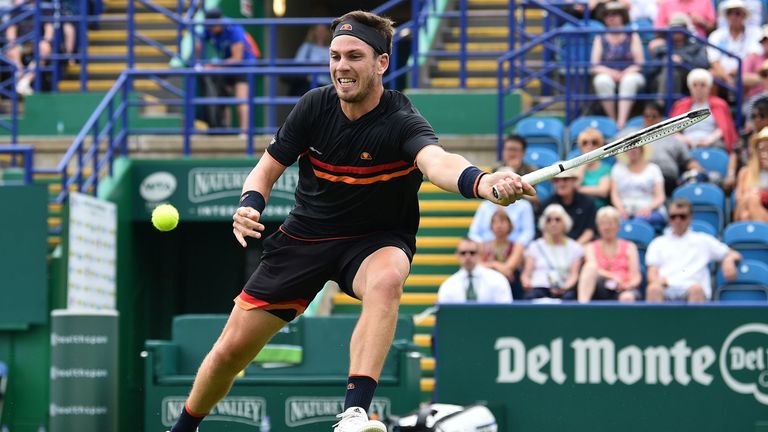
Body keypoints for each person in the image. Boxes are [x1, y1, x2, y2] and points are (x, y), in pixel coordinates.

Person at [168, 10, 534, 432]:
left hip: (375, 239)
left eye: (354, 56)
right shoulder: (313, 107)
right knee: (230, 351)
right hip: (306, 236)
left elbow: (438, 164)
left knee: (387, 280)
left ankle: (355, 411)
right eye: (335, 56)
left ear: (381, 63)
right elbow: (265, 169)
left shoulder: (401, 120)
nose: (342, 66)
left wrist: (484, 181)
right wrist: (251, 203)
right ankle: (182, 428)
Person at [646, 199, 742, 302]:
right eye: (673, 217)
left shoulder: (703, 240)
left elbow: (734, 254)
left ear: (690, 217)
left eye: (682, 216)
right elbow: (652, 271)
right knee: (653, 288)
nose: (677, 220)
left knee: (696, 289)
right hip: (667, 288)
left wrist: (728, 260)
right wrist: (656, 281)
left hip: (693, 288)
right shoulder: (658, 243)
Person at [195, 8, 261, 135]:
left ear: (220, 20)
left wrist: (213, 66)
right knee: (223, 100)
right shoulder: (209, 29)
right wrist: (199, 63)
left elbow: (237, 58)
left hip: (244, 66)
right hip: (226, 66)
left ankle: (244, 133)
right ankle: (226, 131)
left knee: (240, 100)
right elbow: (198, 45)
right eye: (209, 25)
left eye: (213, 25)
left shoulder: (233, 29)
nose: (211, 28)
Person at [590, 1, 645, 129]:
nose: (611, 17)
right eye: (607, 15)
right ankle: (612, 120)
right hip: (608, 74)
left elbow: (639, 63)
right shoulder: (600, 37)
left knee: (629, 81)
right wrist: (611, 73)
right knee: (601, 81)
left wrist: (625, 72)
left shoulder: (632, 36)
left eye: (615, 14)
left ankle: (621, 122)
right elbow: (595, 65)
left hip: (630, 73)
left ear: (622, 16)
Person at [635, 102, 703, 196]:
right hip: (642, 179)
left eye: (654, 116)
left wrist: (699, 171)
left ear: (660, 118)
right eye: (647, 116)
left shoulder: (673, 139)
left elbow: (688, 161)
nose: (650, 119)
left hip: (668, 180)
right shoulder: (634, 137)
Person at [577, 206, 642, 302]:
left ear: (618, 226)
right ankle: (582, 309)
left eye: (611, 223)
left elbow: (636, 277)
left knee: (627, 297)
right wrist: (612, 277)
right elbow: (593, 269)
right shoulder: (590, 247)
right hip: (599, 286)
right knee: (589, 267)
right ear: (598, 227)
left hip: (623, 288)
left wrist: (626, 285)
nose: (607, 227)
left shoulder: (630, 247)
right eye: (603, 223)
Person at [521, 204, 584, 300]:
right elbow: (526, 274)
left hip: (564, 289)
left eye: (557, 220)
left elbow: (574, 274)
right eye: (549, 220)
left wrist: (564, 287)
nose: (553, 223)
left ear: (565, 223)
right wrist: (526, 282)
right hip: (538, 288)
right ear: (544, 224)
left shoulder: (575, 247)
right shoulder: (535, 246)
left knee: (570, 298)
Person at [669, 68, 738, 151]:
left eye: (702, 85)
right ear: (689, 87)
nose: (698, 88)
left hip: (712, 142)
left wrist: (709, 140)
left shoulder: (719, 104)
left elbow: (724, 128)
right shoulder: (680, 105)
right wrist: (687, 141)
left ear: (709, 87)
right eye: (695, 85)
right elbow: (672, 130)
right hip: (686, 143)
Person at [648, 13, 710, 103]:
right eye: (674, 28)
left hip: (687, 77)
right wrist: (666, 60)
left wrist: (682, 60)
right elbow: (650, 70)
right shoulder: (662, 48)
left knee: (673, 70)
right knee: (671, 70)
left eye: (680, 28)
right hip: (662, 79)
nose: (676, 32)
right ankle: (672, 105)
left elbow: (704, 64)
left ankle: (661, 104)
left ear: (686, 29)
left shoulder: (697, 45)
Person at [437, 238, 513, 303]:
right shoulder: (448, 285)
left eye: (472, 253)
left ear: (479, 254)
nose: (468, 256)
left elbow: (506, 311)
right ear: (457, 255)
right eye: (463, 253)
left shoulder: (497, 279)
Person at [707, 0, 762, 90]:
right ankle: (715, 103)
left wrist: (734, 73)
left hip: (744, 73)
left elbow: (752, 56)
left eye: (737, 13)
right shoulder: (716, 35)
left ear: (744, 15)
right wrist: (727, 78)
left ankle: (746, 102)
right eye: (730, 13)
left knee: (750, 77)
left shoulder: (755, 33)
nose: (733, 16)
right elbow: (714, 61)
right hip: (721, 74)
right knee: (710, 75)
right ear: (726, 16)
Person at [610, 145, 667, 229]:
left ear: (642, 150)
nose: (632, 150)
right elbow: (614, 194)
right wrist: (621, 209)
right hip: (625, 210)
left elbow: (660, 197)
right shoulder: (617, 168)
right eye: (628, 148)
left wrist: (648, 208)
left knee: (638, 223)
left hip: (650, 210)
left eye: (635, 147)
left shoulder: (654, 169)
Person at [6, 0, 54, 95]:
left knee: (44, 47)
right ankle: (22, 77)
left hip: (37, 43)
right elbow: (10, 32)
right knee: (11, 49)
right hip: (21, 45)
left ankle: (25, 80)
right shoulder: (17, 10)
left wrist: (45, 41)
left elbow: (49, 32)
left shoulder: (45, 8)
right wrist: (13, 43)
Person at [540, 168, 597, 244]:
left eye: (565, 179)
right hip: (554, 247)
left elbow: (589, 231)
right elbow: (545, 231)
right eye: (556, 180)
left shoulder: (587, 202)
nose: (561, 184)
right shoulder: (547, 204)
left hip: (581, 247)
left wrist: (574, 249)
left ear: (573, 181)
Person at [728, 97, 768, 191]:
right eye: (754, 116)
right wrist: (731, 175)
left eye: (762, 115)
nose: (757, 119)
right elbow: (734, 155)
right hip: (748, 178)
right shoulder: (745, 137)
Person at [477, 210, 525, 282]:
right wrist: (494, 265)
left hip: (511, 284)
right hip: (488, 282)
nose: (499, 226)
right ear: (491, 226)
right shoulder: (483, 245)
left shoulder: (517, 246)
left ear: (509, 225)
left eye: (502, 222)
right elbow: (478, 266)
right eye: (495, 222)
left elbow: (509, 267)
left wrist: (489, 265)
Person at [735, 127, 768, 221]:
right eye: (761, 149)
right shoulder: (744, 173)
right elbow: (739, 204)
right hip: (744, 214)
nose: (764, 154)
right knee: (746, 213)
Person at [572, 128, 612, 208]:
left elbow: (603, 191)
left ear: (599, 145)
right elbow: (573, 186)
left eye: (594, 142)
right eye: (585, 143)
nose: (589, 146)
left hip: (599, 208)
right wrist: (585, 162)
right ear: (580, 147)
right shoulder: (575, 167)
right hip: (580, 208)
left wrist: (579, 189)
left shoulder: (605, 168)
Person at [289, 24, 332, 95]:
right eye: (318, 31)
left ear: (328, 32)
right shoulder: (307, 47)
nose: (321, 33)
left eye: (323, 30)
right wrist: (316, 65)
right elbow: (298, 64)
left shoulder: (332, 47)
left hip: (327, 84)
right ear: (313, 32)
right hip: (309, 84)